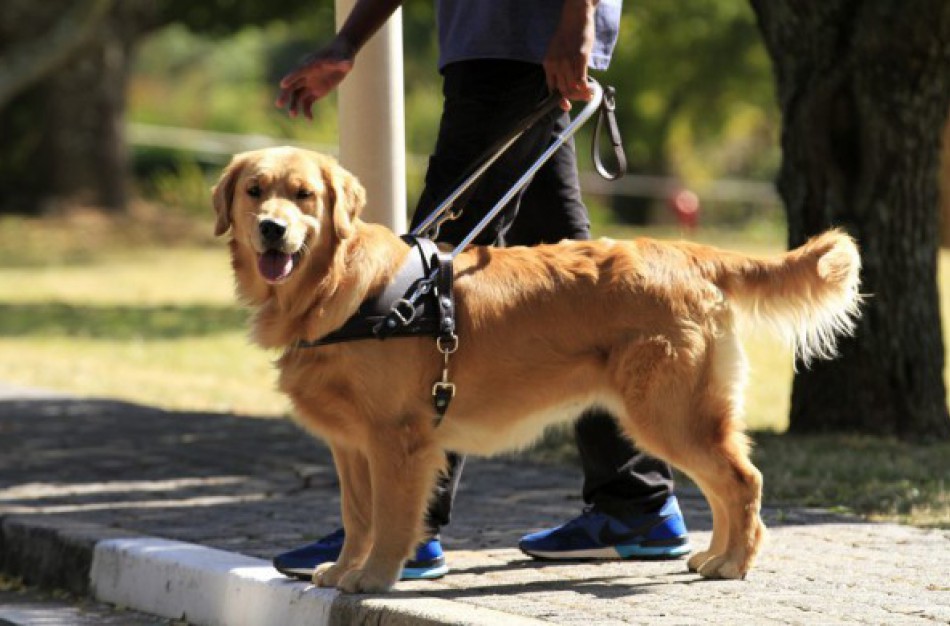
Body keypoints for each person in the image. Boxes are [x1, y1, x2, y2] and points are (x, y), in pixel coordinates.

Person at [272, 0, 690, 581]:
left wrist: (577, 21)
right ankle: (636, 503)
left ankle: (404, 530)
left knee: (418, 281)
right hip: (499, 43)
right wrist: (349, 41)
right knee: (567, 285)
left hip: (520, 43)